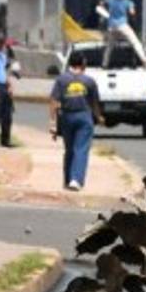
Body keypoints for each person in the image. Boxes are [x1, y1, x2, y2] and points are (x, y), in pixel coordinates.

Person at [48, 50, 103, 191]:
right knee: (81, 149)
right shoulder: (89, 81)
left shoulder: (61, 80)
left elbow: (54, 101)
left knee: (69, 150)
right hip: (84, 117)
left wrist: (53, 122)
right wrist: (99, 117)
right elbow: (95, 103)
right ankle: (76, 179)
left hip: (66, 117)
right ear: (83, 63)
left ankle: (67, 180)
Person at [96, 0, 146, 68]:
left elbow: (100, 3)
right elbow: (132, 12)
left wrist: (104, 11)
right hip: (122, 25)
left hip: (112, 26)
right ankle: (145, 61)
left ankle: (104, 64)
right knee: (135, 42)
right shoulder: (128, 1)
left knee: (109, 46)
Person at [0, 34, 16, 148]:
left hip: (4, 86)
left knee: (7, 115)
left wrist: (10, 86)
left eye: (1, 43)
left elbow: (6, 72)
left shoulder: (3, 57)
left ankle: (5, 140)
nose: (0, 45)